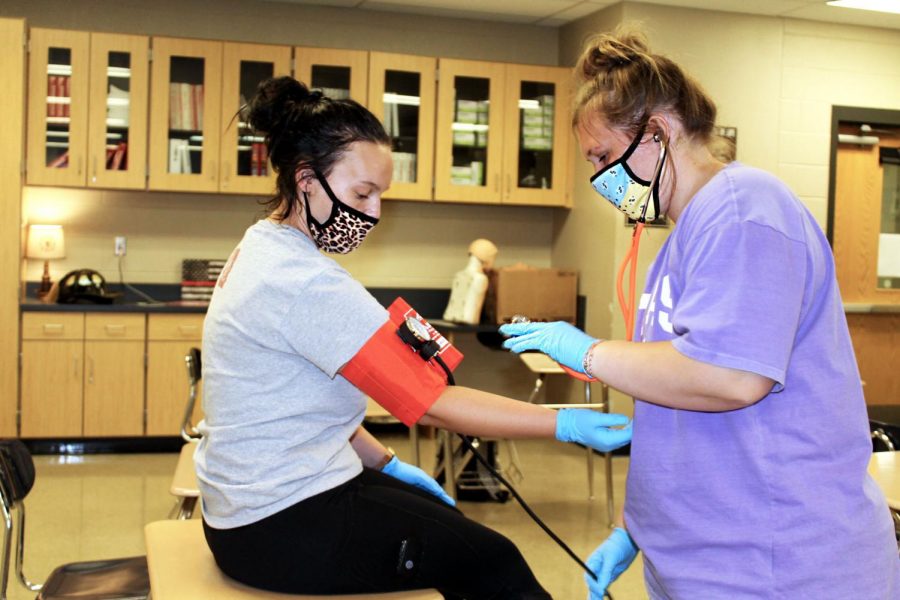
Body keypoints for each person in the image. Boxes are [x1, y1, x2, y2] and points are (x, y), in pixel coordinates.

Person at [195, 76, 633, 600]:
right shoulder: (305, 281)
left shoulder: (261, 247)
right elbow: (434, 404)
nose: (374, 212)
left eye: (381, 195)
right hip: (279, 522)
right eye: (362, 193)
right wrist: (563, 423)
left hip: (246, 512)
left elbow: (296, 407)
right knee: (493, 560)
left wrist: (385, 462)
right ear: (306, 180)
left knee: (445, 525)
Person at [501, 27, 900, 600]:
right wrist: (632, 526)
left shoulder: (744, 209)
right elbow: (675, 400)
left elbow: (731, 377)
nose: (601, 180)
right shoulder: (687, 236)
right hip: (702, 560)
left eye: (605, 157)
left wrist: (586, 351)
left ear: (658, 132)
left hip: (779, 566)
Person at [443, 238, 498, 324]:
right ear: (485, 256)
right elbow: (471, 314)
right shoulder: (480, 279)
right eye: (493, 257)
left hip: (452, 319)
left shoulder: (459, 275)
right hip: (467, 322)